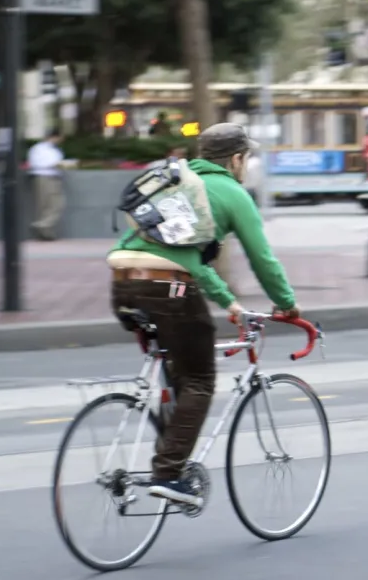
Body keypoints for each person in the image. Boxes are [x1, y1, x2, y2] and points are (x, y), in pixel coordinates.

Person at [106, 123, 300, 505]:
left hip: (123, 278)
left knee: (179, 365)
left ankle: (169, 445)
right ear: (237, 159)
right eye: (247, 158)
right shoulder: (232, 192)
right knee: (199, 379)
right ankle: (168, 473)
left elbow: (188, 258)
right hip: (168, 286)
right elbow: (262, 259)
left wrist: (229, 302)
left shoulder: (179, 182)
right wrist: (287, 302)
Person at [27, 130, 66, 240]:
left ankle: (45, 233)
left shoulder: (53, 149)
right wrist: (57, 165)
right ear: (54, 137)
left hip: (52, 177)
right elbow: (39, 163)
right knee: (54, 204)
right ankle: (41, 225)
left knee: (47, 205)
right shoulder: (39, 149)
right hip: (45, 177)